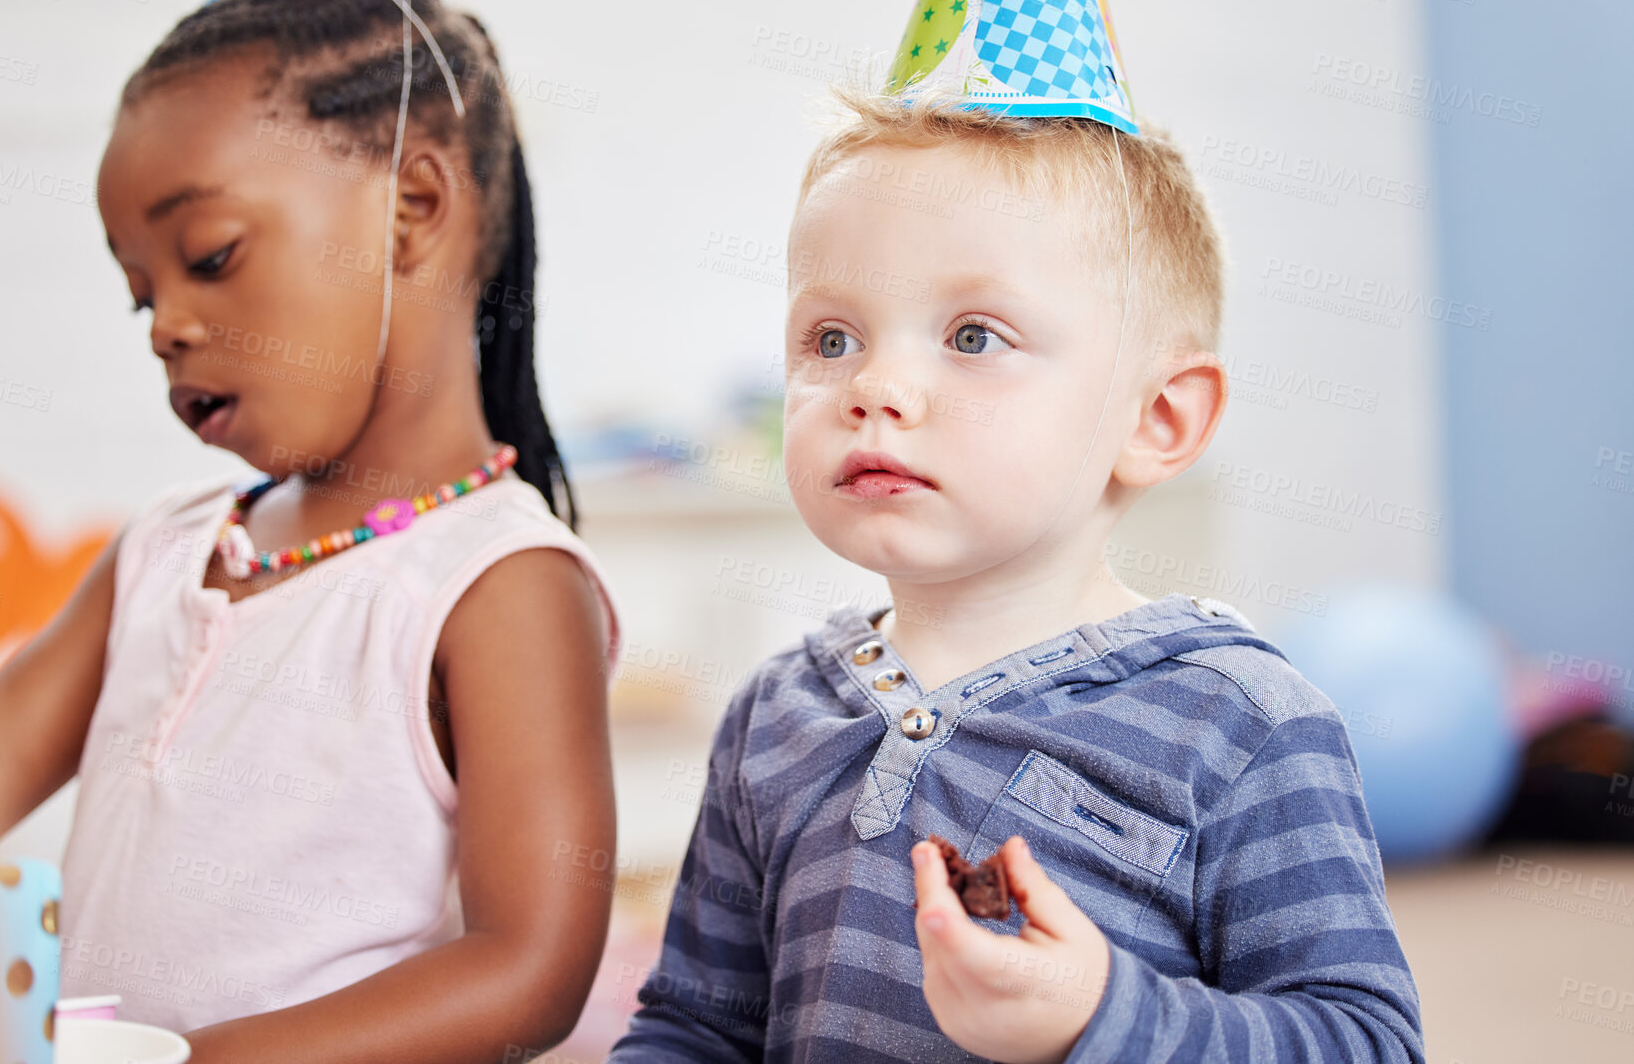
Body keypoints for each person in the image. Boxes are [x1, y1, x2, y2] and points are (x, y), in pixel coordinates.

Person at [606, 91, 1424, 1062]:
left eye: (973, 337)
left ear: (1156, 418)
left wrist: (1102, 1014)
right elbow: (697, 1027)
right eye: (833, 339)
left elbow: (1363, 1041)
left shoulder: (1242, 723)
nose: (875, 387)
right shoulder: (772, 717)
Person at [0, 0, 623, 1063]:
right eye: (139, 292)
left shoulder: (498, 579)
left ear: (411, 209)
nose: (165, 325)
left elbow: (527, 970)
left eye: (209, 256)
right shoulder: (163, 552)